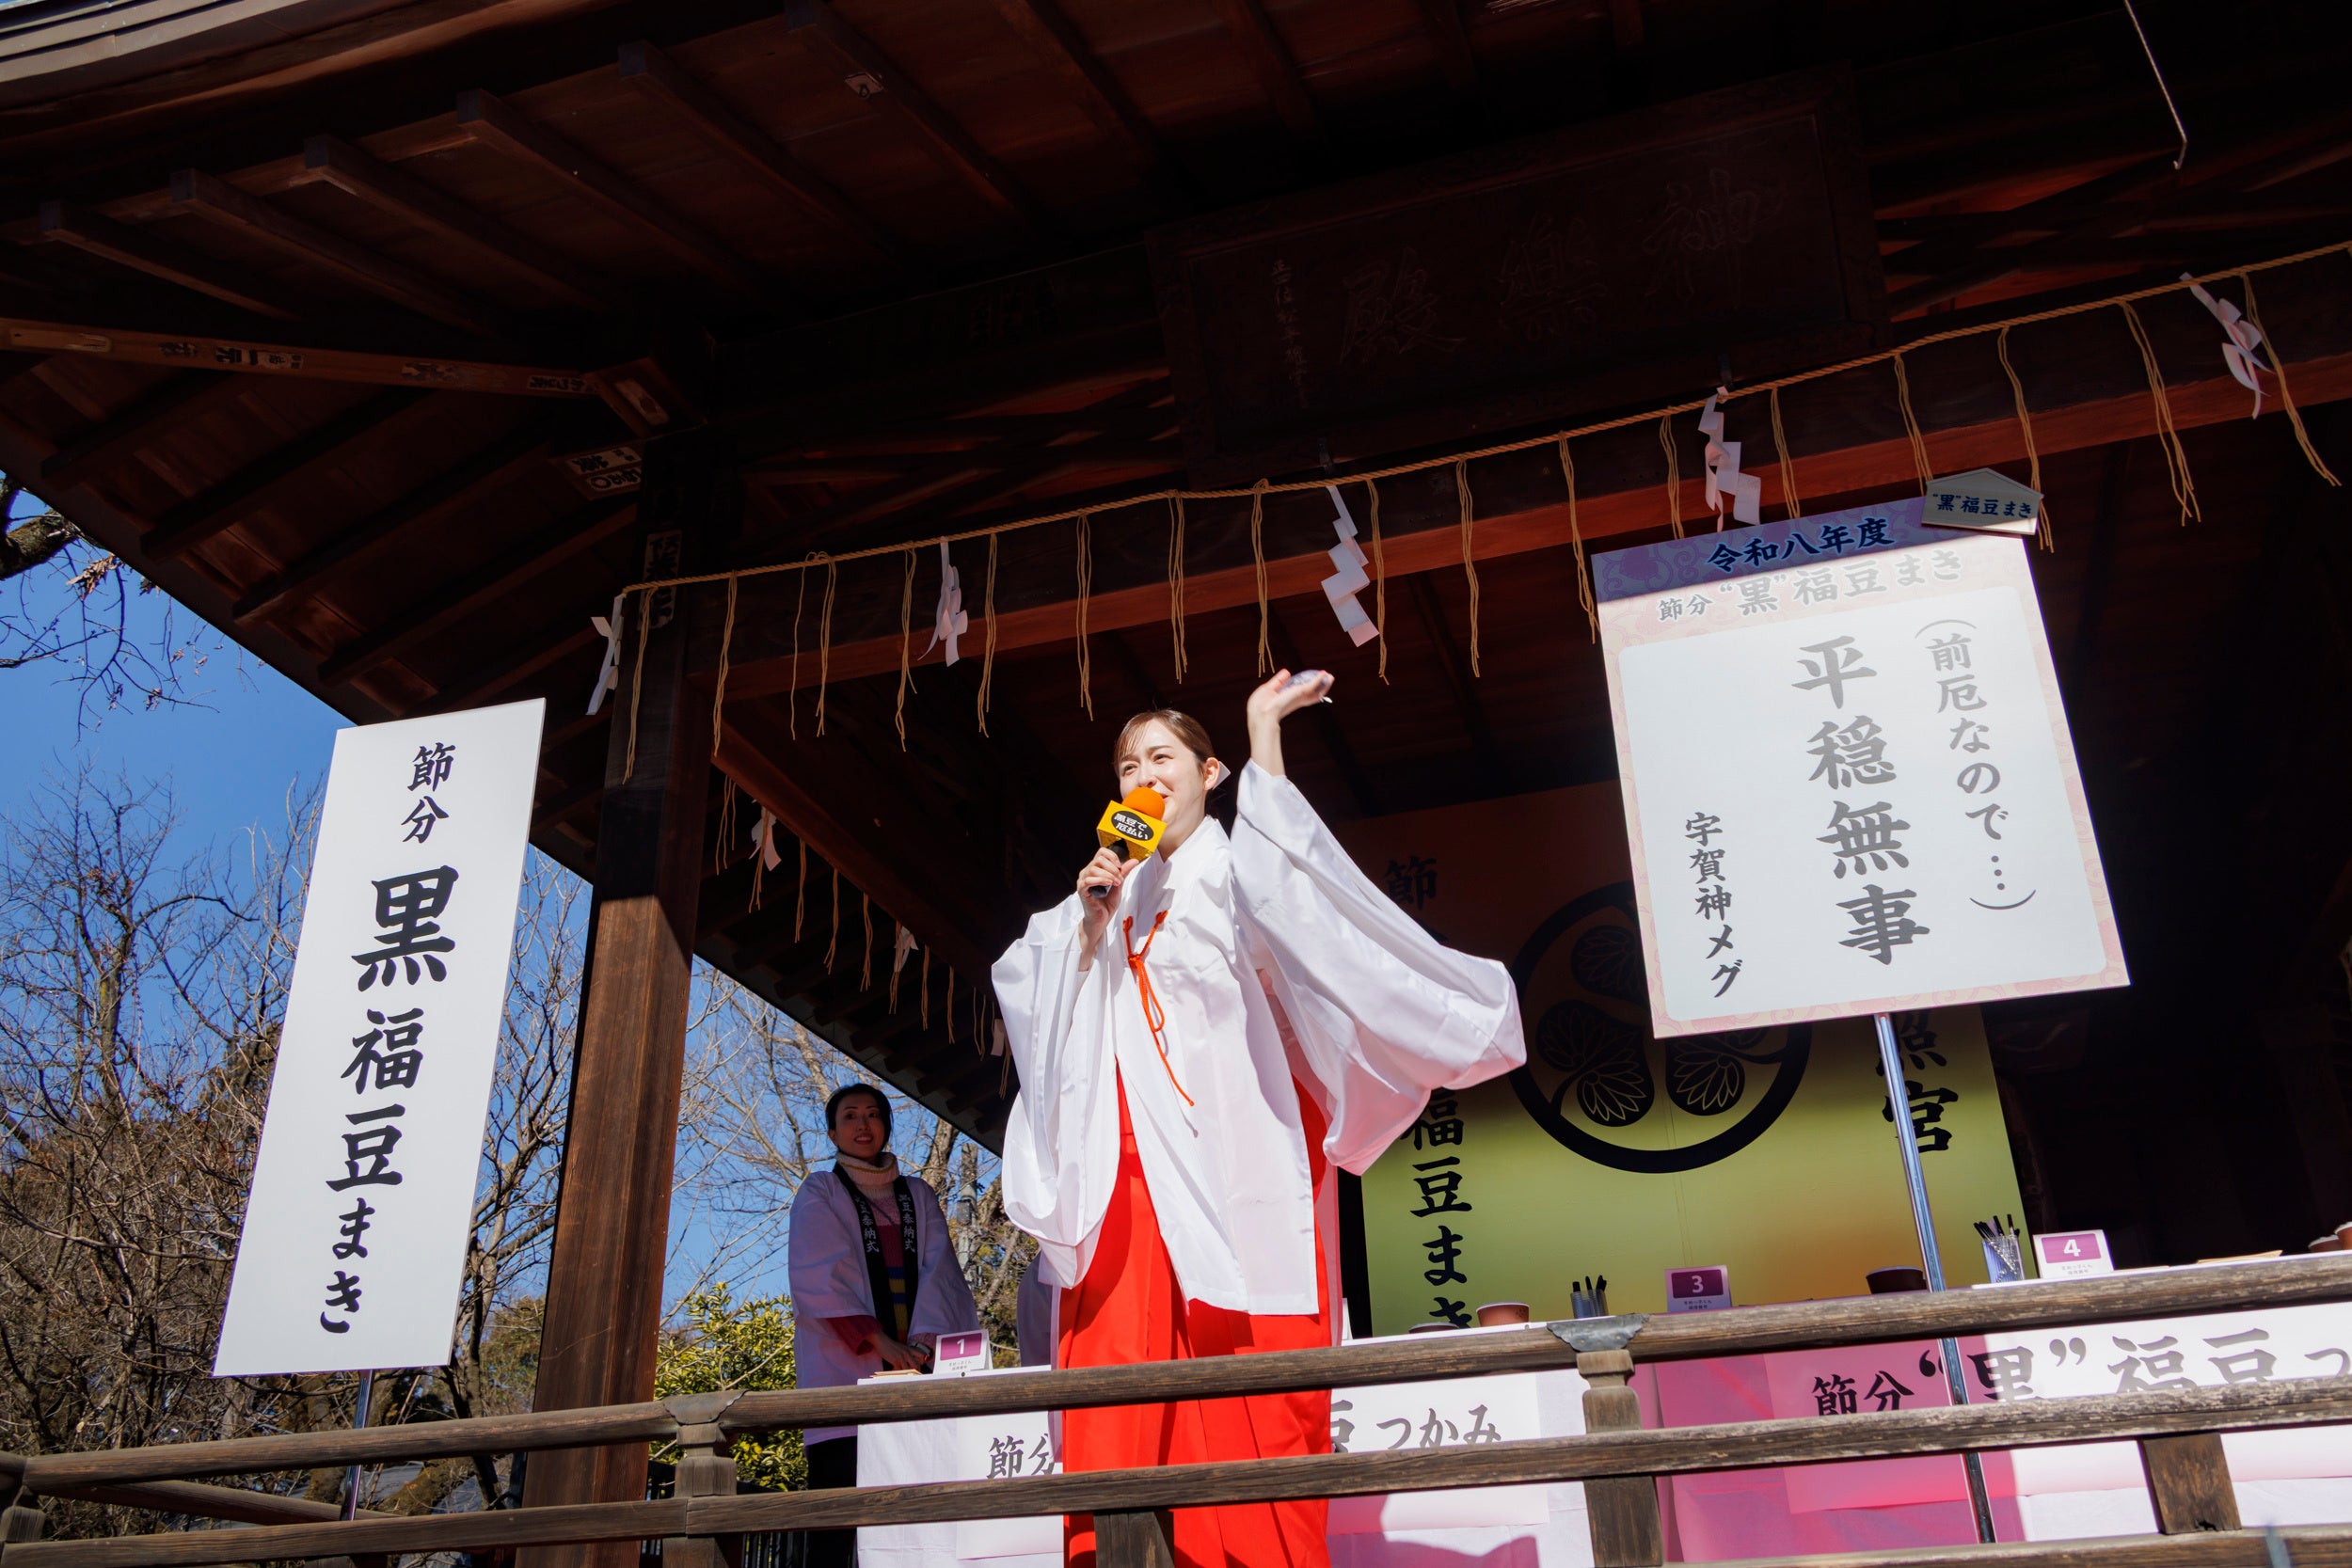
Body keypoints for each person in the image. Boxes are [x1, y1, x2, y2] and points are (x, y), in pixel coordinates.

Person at [993, 670, 1527, 1568]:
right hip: (1127, 1167)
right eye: (1127, 765)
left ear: (1211, 772)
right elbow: (1035, 990)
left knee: (1253, 1365)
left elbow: (1295, 889)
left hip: (1235, 1155)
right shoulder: (1109, 890)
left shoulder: (1235, 867)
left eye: (1162, 757)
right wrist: (1087, 929)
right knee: (1119, 1375)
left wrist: (1263, 734)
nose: (1142, 776)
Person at [787, 1083, 981, 1568]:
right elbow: (820, 1275)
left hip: (917, 1372)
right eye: (850, 1116)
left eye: (873, 1115)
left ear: (886, 1128)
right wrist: (881, 1344)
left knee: (919, 1519)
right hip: (843, 1373)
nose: (862, 1125)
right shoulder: (821, 1190)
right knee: (837, 1522)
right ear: (832, 1130)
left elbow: (943, 1277)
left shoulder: (919, 1195)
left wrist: (917, 1346)